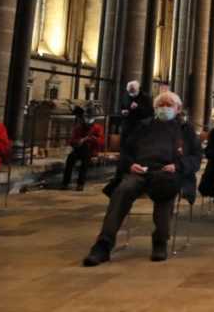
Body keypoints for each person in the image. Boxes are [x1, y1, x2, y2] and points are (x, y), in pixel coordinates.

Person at [82, 91, 185, 266]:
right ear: (155, 108)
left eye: (169, 105)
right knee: (122, 190)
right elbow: (126, 152)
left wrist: (177, 166)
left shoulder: (184, 130)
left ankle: (160, 240)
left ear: (178, 109)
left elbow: (193, 156)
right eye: (161, 105)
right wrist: (130, 165)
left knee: (165, 191)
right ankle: (104, 244)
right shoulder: (142, 126)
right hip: (139, 171)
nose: (165, 108)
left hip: (166, 173)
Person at [103, 80, 154, 197]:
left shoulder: (146, 98)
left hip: (140, 130)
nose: (131, 93)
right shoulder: (126, 95)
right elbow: (121, 107)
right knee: (124, 154)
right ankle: (119, 180)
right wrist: (123, 112)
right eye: (129, 91)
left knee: (137, 155)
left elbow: (150, 113)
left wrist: (138, 108)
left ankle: (137, 183)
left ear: (138, 89)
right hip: (127, 128)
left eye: (133, 91)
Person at [62, 106, 105, 191]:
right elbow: (72, 140)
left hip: (91, 150)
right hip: (79, 150)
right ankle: (65, 182)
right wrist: (78, 141)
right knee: (70, 159)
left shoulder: (97, 128)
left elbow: (101, 141)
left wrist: (90, 139)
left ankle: (80, 184)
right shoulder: (79, 128)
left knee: (85, 162)